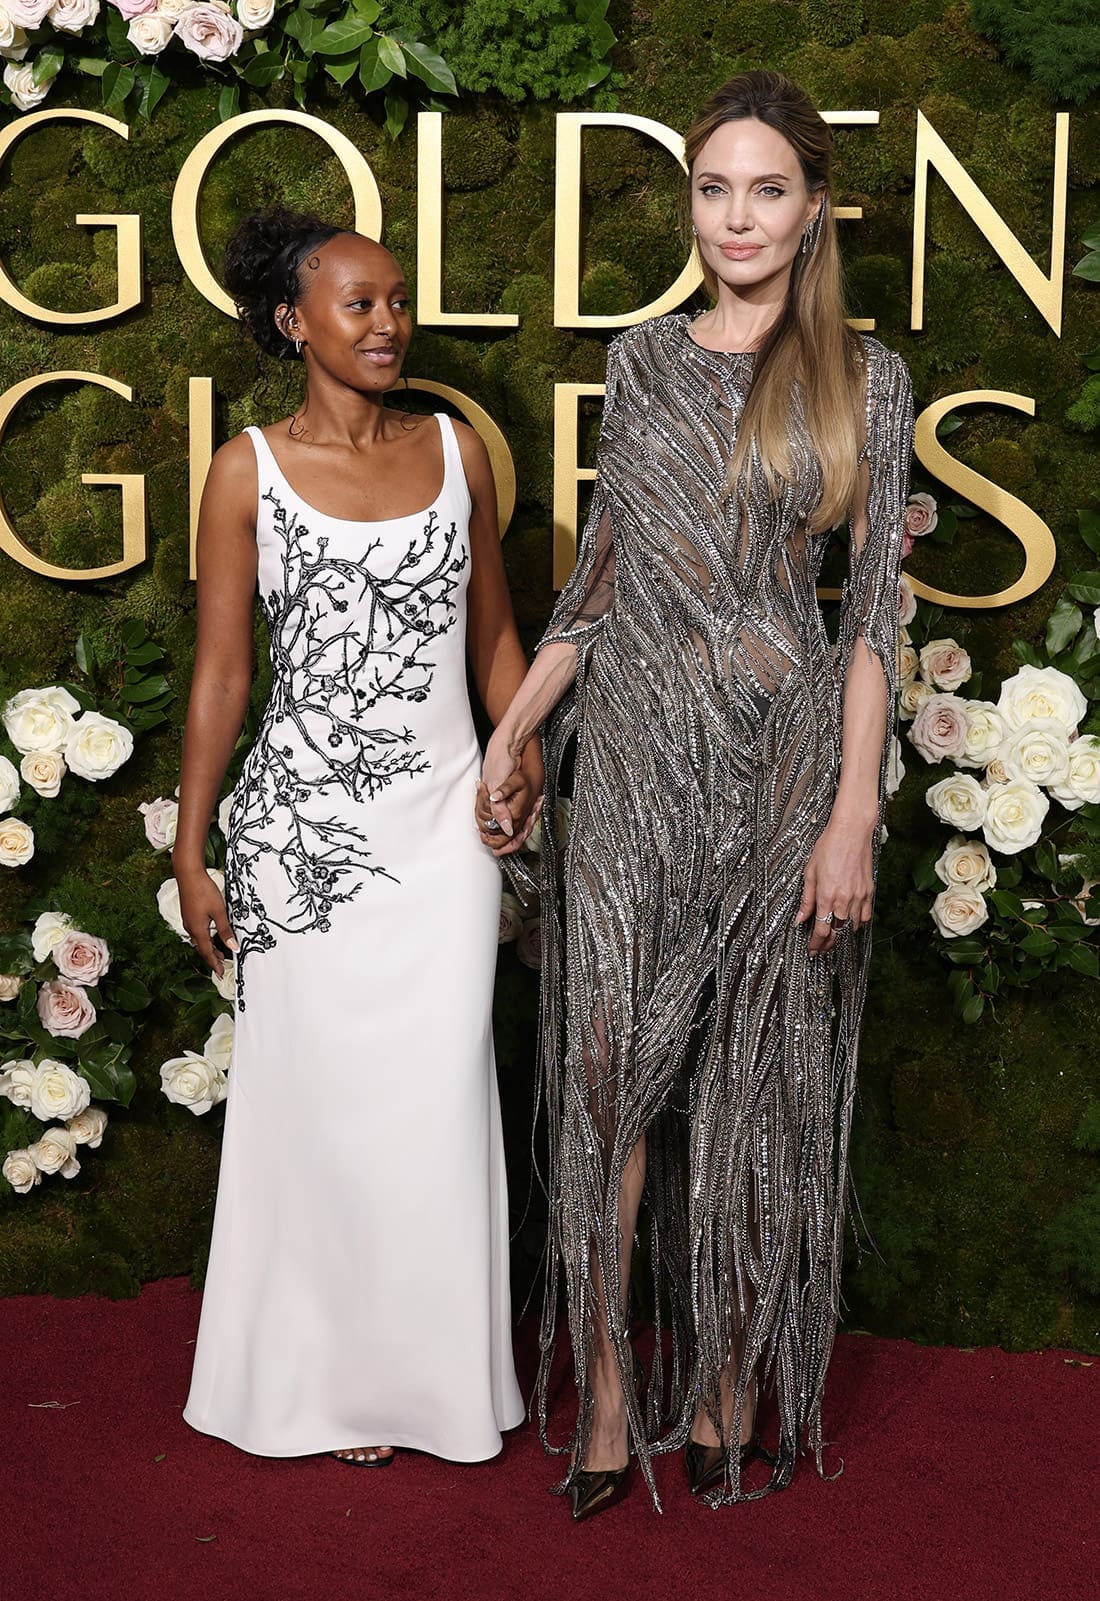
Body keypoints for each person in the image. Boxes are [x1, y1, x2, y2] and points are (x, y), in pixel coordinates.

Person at [479, 70, 915, 1516]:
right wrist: (516, 730)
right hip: (637, 773)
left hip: (788, 776)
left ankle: (731, 1379)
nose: (738, 216)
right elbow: (599, 581)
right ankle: (607, 1389)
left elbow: (870, 621)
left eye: (767, 189)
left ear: (812, 210)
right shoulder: (644, 359)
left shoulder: (869, 379)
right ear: (694, 204)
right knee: (607, 1086)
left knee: (757, 1090)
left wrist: (854, 810)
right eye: (715, 188)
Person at [175, 208, 539, 1468]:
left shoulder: (453, 450)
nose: (387, 324)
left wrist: (521, 740)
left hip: (441, 831)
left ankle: (429, 1382)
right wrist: (190, 845)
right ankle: (321, 1380)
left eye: (396, 302)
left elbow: (495, 633)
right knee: (322, 1111)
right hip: (297, 839)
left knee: (434, 1104)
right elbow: (224, 677)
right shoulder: (242, 471)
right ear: (292, 322)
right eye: (358, 305)